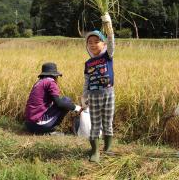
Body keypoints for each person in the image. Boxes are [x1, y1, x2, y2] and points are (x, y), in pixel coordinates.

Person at [82, 12, 115, 163]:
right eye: (90, 42)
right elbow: (86, 81)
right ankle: (95, 151)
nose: (93, 44)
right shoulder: (88, 63)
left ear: (103, 44)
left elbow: (111, 40)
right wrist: (84, 96)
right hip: (94, 95)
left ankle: (107, 149)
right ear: (87, 46)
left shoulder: (107, 55)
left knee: (108, 122)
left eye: (97, 41)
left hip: (109, 93)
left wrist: (108, 25)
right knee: (95, 123)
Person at [24, 62, 80, 134]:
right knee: (66, 100)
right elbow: (59, 103)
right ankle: (51, 129)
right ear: (55, 76)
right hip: (38, 125)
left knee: (61, 102)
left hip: (29, 125)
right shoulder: (50, 82)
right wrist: (75, 107)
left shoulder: (39, 82)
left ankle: (47, 129)